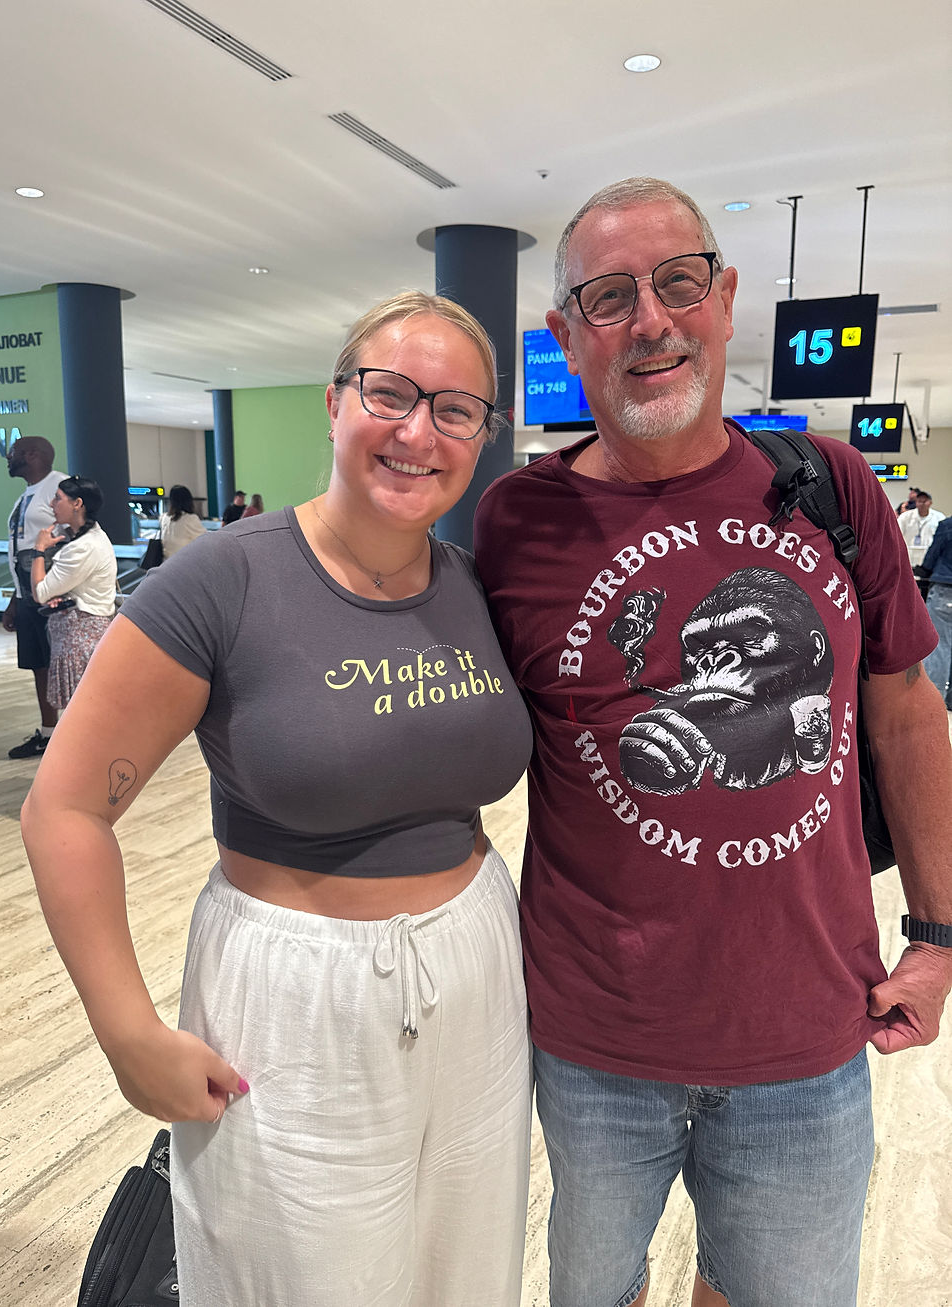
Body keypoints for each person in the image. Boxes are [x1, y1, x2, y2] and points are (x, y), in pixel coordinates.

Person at [474, 177, 952, 1307]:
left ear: (724, 297)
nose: (649, 320)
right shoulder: (515, 519)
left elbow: (904, 714)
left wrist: (934, 934)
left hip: (804, 1026)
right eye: (607, 295)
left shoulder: (830, 486)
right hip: (592, 1030)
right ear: (564, 334)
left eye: (676, 281)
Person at [21, 292, 533, 1307]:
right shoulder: (224, 580)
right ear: (335, 401)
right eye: (389, 392)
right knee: (295, 1282)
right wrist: (127, 1032)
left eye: (456, 408)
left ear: (482, 434)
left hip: (478, 968)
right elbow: (65, 808)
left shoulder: (475, 585)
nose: (417, 430)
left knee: (466, 1273)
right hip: (294, 995)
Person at [30, 476, 117, 711]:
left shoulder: (83, 547)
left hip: (80, 643)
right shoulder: (87, 539)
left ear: (77, 503)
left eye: (58, 498)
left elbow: (40, 592)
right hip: (81, 640)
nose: (51, 504)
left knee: (82, 713)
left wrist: (39, 549)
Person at [4, 435, 66, 758]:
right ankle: (48, 732)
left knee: (62, 664)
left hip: (52, 597)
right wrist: (15, 598)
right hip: (28, 597)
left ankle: (77, 734)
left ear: (32, 455)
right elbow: (20, 549)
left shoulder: (61, 487)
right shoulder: (25, 496)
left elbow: (75, 535)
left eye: (12, 453)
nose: (8, 459)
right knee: (38, 664)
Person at [923, 515, 952, 707]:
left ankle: (934, 703)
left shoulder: (947, 525)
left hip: (945, 589)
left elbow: (932, 557)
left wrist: (923, 571)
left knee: (940, 647)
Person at [897, 488, 944, 587]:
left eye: (924, 501)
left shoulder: (939, 518)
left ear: (930, 503)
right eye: (919, 501)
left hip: (928, 559)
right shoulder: (905, 517)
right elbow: (897, 535)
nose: (922, 504)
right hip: (909, 556)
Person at [159, 484, 207, 558]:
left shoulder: (164, 518)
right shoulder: (190, 519)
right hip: (184, 563)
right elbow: (204, 540)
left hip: (166, 563)